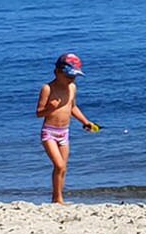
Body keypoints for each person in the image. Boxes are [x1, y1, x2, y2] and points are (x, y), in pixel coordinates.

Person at [36, 53, 102, 204]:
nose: (71, 79)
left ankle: (57, 197)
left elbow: (72, 108)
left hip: (64, 132)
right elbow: (39, 113)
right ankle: (57, 198)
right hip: (49, 132)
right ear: (57, 72)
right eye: (68, 76)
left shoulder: (72, 88)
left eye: (74, 77)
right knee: (58, 165)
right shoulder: (47, 88)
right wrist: (50, 108)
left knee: (63, 168)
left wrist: (86, 122)